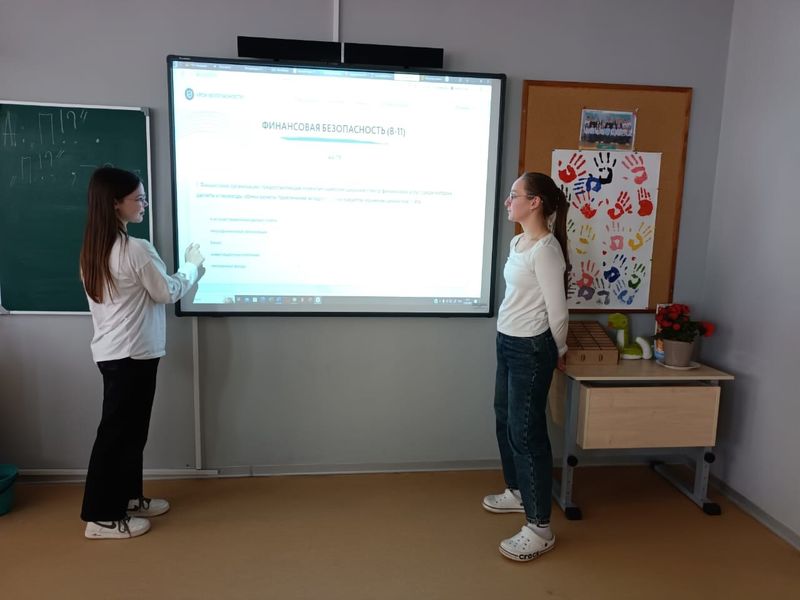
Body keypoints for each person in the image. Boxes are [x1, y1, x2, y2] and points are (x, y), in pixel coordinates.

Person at [78, 167, 205, 539]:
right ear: (115, 203)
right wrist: (192, 267)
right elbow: (166, 291)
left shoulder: (94, 250)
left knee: (131, 433)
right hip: (131, 355)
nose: (144, 204)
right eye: (139, 198)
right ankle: (101, 517)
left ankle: (129, 498)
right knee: (117, 436)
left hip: (118, 353)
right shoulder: (135, 249)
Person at [483, 172, 569, 561]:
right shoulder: (519, 242)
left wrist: (558, 350)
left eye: (514, 195)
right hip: (507, 341)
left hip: (532, 349)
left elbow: (558, 311)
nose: (508, 201)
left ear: (535, 202)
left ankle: (540, 528)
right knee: (504, 418)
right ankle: (518, 492)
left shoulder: (547, 250)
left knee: (527, 433)